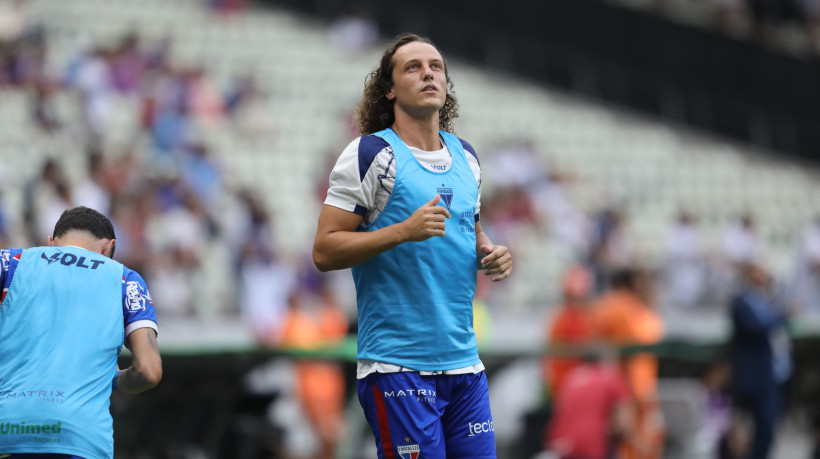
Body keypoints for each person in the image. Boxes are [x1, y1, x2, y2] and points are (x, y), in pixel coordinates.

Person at [313, 33, 512, 458]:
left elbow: (469, 233)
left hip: (465, 364)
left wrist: (491, 253)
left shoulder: (467, 157)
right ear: (388, 88)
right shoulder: (371, 154)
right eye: (413, 67)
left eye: (435, 66)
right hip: (398, 367)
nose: (428, 73)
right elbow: (324, 250)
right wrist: (402, 230)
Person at [0, 206, 162, 459]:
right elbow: (149, 371)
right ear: (108, 248)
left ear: (52, 243)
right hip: (82, 437)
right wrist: (111, 380)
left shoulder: (11, 262)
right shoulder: (125, 280)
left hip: (10, 429)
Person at [729, 262, 793, 459]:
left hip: (774, 376)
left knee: (770, 427)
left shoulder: (767, 301)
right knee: (757, 427)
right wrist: (782, 316)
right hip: (756, 379)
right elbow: (756, 328)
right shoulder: (741, 303)